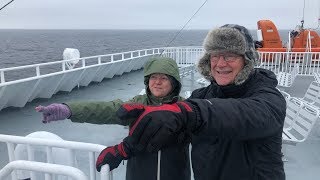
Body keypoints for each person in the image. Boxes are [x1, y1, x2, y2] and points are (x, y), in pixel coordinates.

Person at [111, 24, 286, 180]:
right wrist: (126, 148)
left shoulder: (268, 97)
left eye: (230, 56)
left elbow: (243, 114)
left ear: (246, 60)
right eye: (215, 56)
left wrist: (189, 112)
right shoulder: (201, 96)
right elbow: (172, 130)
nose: (220, 63)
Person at [35, 57, 191, 180]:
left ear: (173, 83)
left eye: (163, 78)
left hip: (176, 174)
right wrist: (69, 110)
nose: (157, 82)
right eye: (153, 77)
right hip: (139, 174)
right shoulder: (138, 104)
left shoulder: (185, 108)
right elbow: (107, 110)